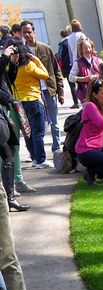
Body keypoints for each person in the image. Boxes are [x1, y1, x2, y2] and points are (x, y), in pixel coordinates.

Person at [20, 20, 64, 158]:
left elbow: (57, 71)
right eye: (24, 32)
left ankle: (56, 148)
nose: (27, 34)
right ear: (21, 34)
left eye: (29, 31)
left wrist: (61, 92)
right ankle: (36, 152)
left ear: (34, 32)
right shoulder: (21, 52)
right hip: (31, 94)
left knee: (54, 122)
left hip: (48, 90)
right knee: (34, 125)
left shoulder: (46, 49)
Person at [0, 45, 28, 210]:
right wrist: (4, 58)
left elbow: (6, 81)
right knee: (7, 151)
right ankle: (8, 197)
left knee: (9, 150)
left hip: (3, 109)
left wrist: (14, 63)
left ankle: (9, 197)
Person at [12, 42, 48, 168]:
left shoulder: (11, 68)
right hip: (33, 100)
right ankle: (41, 160)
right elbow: (45, 75)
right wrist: (37, 60)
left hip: (19, 103)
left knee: (28, 132)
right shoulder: (29, 65)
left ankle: (33, 158)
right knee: (38, 132)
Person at [69, 37, 101, 106]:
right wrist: (84, 79)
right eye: (85, 48)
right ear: (81, 50)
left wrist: (97, 76)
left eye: (89, 47)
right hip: (86, 95)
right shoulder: (78, 63)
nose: (88, 50)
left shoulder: (98, 60)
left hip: (100, 93)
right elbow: (71, 77)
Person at [58, 27, 77, 108]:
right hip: (76, 63)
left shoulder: (62, 44)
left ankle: (76, 102)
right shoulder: (73, 40)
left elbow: (59, 56)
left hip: (67, 66)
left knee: (72, 85)